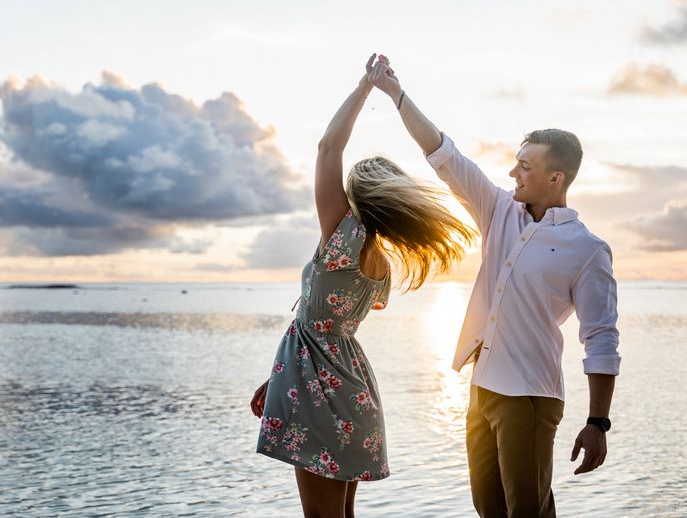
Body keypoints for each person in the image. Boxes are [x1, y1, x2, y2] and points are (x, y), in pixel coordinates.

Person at [367, 55, 621, 518]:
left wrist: (597, 422)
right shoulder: (498, 211)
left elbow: (601, 337)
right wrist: (394, 92)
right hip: (481, 387)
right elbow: (444, 155)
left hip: (529, 396)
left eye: (524, 166)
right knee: (488, 509)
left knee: (528, 512)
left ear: (555, 177)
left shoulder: (587, 249)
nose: (512, 174)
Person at [250, 54, 477, 518]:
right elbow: (326, 329)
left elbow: (327, 147)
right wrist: (276, 377)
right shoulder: (381, 262)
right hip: (350, 389)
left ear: (358, 196)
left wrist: (364, 87)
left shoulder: (342, 236)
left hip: (319, 396)